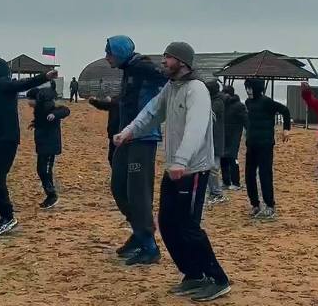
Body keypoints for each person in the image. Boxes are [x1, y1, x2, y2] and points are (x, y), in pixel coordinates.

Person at [114, 41, 231, 302]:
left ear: (183, 62)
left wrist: (181, 161)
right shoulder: (172, 87)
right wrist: (129, 132)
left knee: (189, 226)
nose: (164, 61)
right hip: (174, 169)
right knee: (167, 224)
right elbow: (152, 112)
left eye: (168, 57)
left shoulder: (196, 89)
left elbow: (196, 128)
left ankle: (218, 279)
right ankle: (193, 274)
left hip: (193, 170)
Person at [103, 35, 168, 265]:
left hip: (143, 138)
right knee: (119, 187)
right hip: (126, 138)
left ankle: (149, 246)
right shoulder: (128, 70)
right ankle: (139, 232)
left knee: (138, 193)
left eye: (109, 52)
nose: (106, 56)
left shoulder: (142, 66)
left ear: (120, 52)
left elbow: (168, 80)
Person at [0, 57, 57, 235]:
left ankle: (8, 217)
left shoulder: (3, 84)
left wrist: (45, 76)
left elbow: (22, 84)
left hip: (6, 139)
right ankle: (5, 216)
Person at [243, 77, 292, 220]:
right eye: (247, 88)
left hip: (265, 145)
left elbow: (285, 111)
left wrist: (286, 129)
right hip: (251, 144)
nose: (248, 91)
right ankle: (255, 205)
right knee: (249, 176)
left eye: (251, 88)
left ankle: (270, 205)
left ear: (258, 89)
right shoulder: (248, 103)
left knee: (265, 175)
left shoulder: (267, 102)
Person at [29, 82, 70, 209]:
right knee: (41, 170)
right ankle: (50, 194)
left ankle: (52, 195)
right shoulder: (39, 109)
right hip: (42, 144)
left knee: (44, 170)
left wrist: (54, 115)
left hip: (50, 145)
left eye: (30, 99)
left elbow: (65, 110)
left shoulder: (48, 106)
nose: (28, 102)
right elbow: (41, 120)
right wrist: (34, 123)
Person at [206, 79, 228, 205]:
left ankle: (217, 193)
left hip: (216, 139)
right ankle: (213, 192)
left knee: (213, 167)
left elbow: (210, 116)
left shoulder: (218, 102)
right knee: (209, 167)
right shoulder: (214, 100)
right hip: (212, 139)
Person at [220, 86, 246, 190]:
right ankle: (226, 182)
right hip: (223, 135)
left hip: (234, 135)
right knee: (223, 158)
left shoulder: (239, 106)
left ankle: (236, 182)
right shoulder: (222, 104)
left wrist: (249, 133)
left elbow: (245, 120)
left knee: (232, 158)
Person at [88, 91, 120, 167]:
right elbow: (104, 105)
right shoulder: (116, 99)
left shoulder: (126, 99)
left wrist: (112, 101)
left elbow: (120, 103)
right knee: (111, 158)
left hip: (123, 134)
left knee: (119, 159)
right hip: (113, 133)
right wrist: (94, 102)